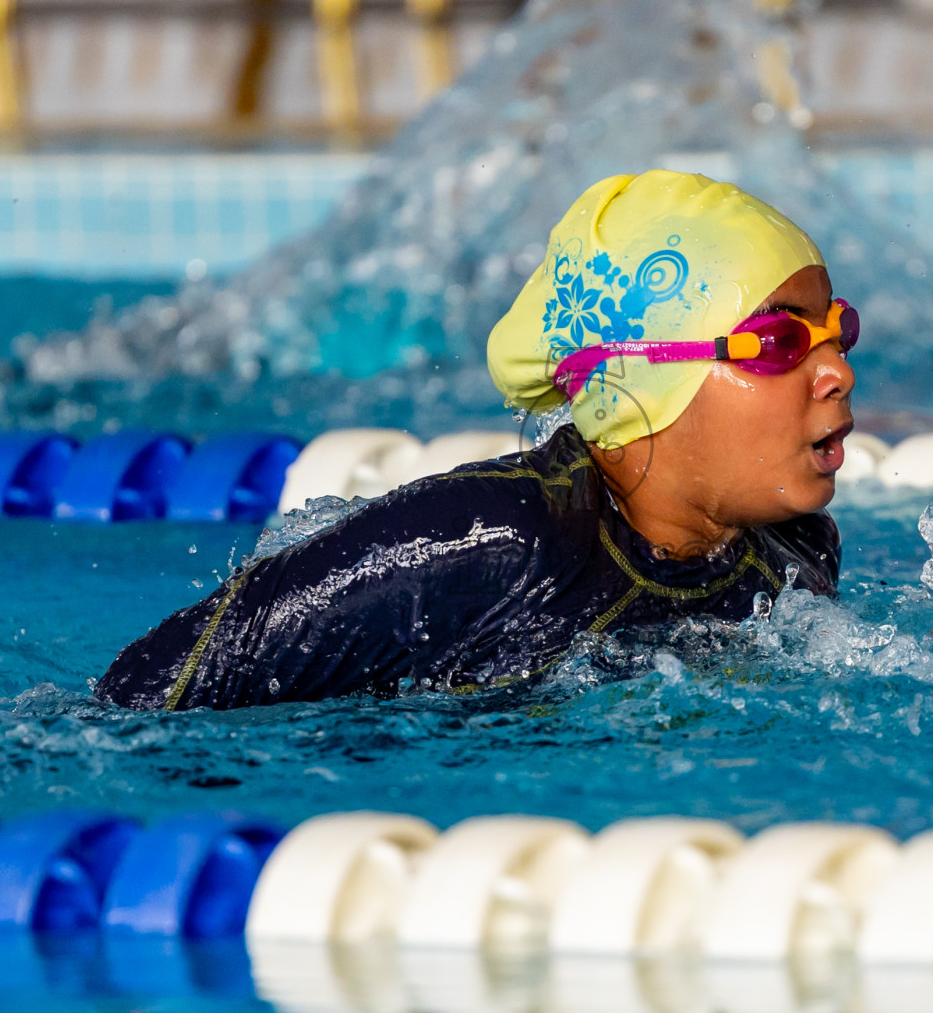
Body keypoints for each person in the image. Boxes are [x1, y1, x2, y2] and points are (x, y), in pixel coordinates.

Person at [95, 171, 857, 711]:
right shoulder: (493, 540)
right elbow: (144, 694)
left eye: (837, 332)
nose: (836, 373)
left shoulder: (794, 556)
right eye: (782, 342)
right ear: (641, 377)